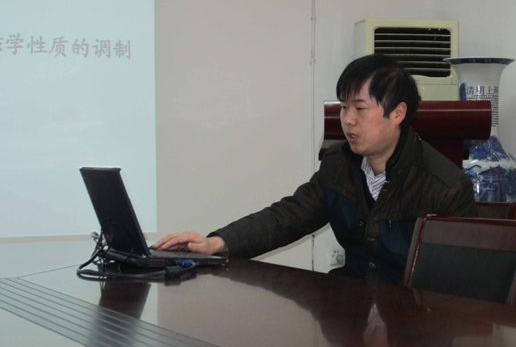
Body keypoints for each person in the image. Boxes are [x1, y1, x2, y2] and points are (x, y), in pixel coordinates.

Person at [153, 53, 476, 283]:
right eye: (344, 107)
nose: (348, 120)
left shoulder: (445, 187)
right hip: (350, 317)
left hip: (413, 328)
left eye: (360, 109)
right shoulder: (340, 163)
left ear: (398, 113)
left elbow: (457, 284)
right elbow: (288, 217)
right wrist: (216, 244)